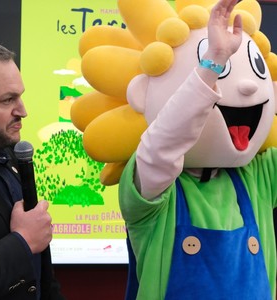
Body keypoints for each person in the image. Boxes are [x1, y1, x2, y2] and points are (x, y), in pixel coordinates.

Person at [71, 0, 277, 298]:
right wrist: (213, 63)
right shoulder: (151, 187)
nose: (245, 87)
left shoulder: (258, 175)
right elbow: (163, 142)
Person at [0, 41, 65, 299]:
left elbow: (42, 276)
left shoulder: (10, 161)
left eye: (20, 96)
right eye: (7, 100)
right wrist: (23, 241)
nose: (23, 111)